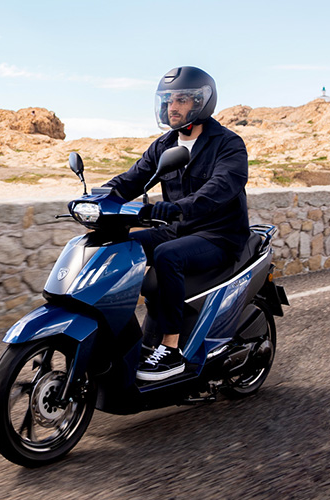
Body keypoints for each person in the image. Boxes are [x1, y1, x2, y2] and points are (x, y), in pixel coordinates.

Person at [103, 66, 250, 381]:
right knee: (120, 245)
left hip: (219, 234)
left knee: (168, 255)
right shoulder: (164, 145)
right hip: (179, 229)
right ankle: (116, 331)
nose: (172, 107)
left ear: (201, 102)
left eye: (181, 100)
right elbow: (132, 179)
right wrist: (97, 197)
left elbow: (221, 187)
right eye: (168, 100)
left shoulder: (228, 144)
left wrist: (178, 208)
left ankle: (171, 350)